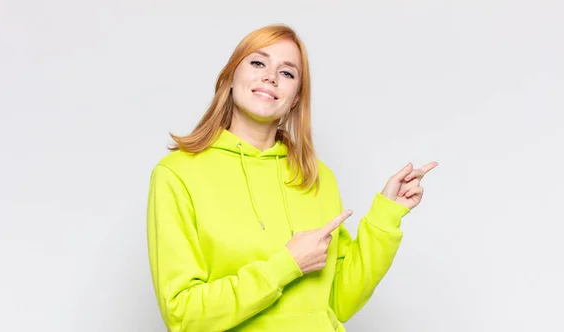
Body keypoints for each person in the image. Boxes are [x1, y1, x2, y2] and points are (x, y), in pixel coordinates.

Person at [146, 23, 438, 332]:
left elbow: (338, 302)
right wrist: (286, 265)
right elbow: (183, 315)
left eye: (287, 73)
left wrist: (385, 215)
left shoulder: (317, 176)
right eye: (258, 62)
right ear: (230, 77)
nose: (270, 76)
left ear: (296, 98)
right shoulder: (177, 174)